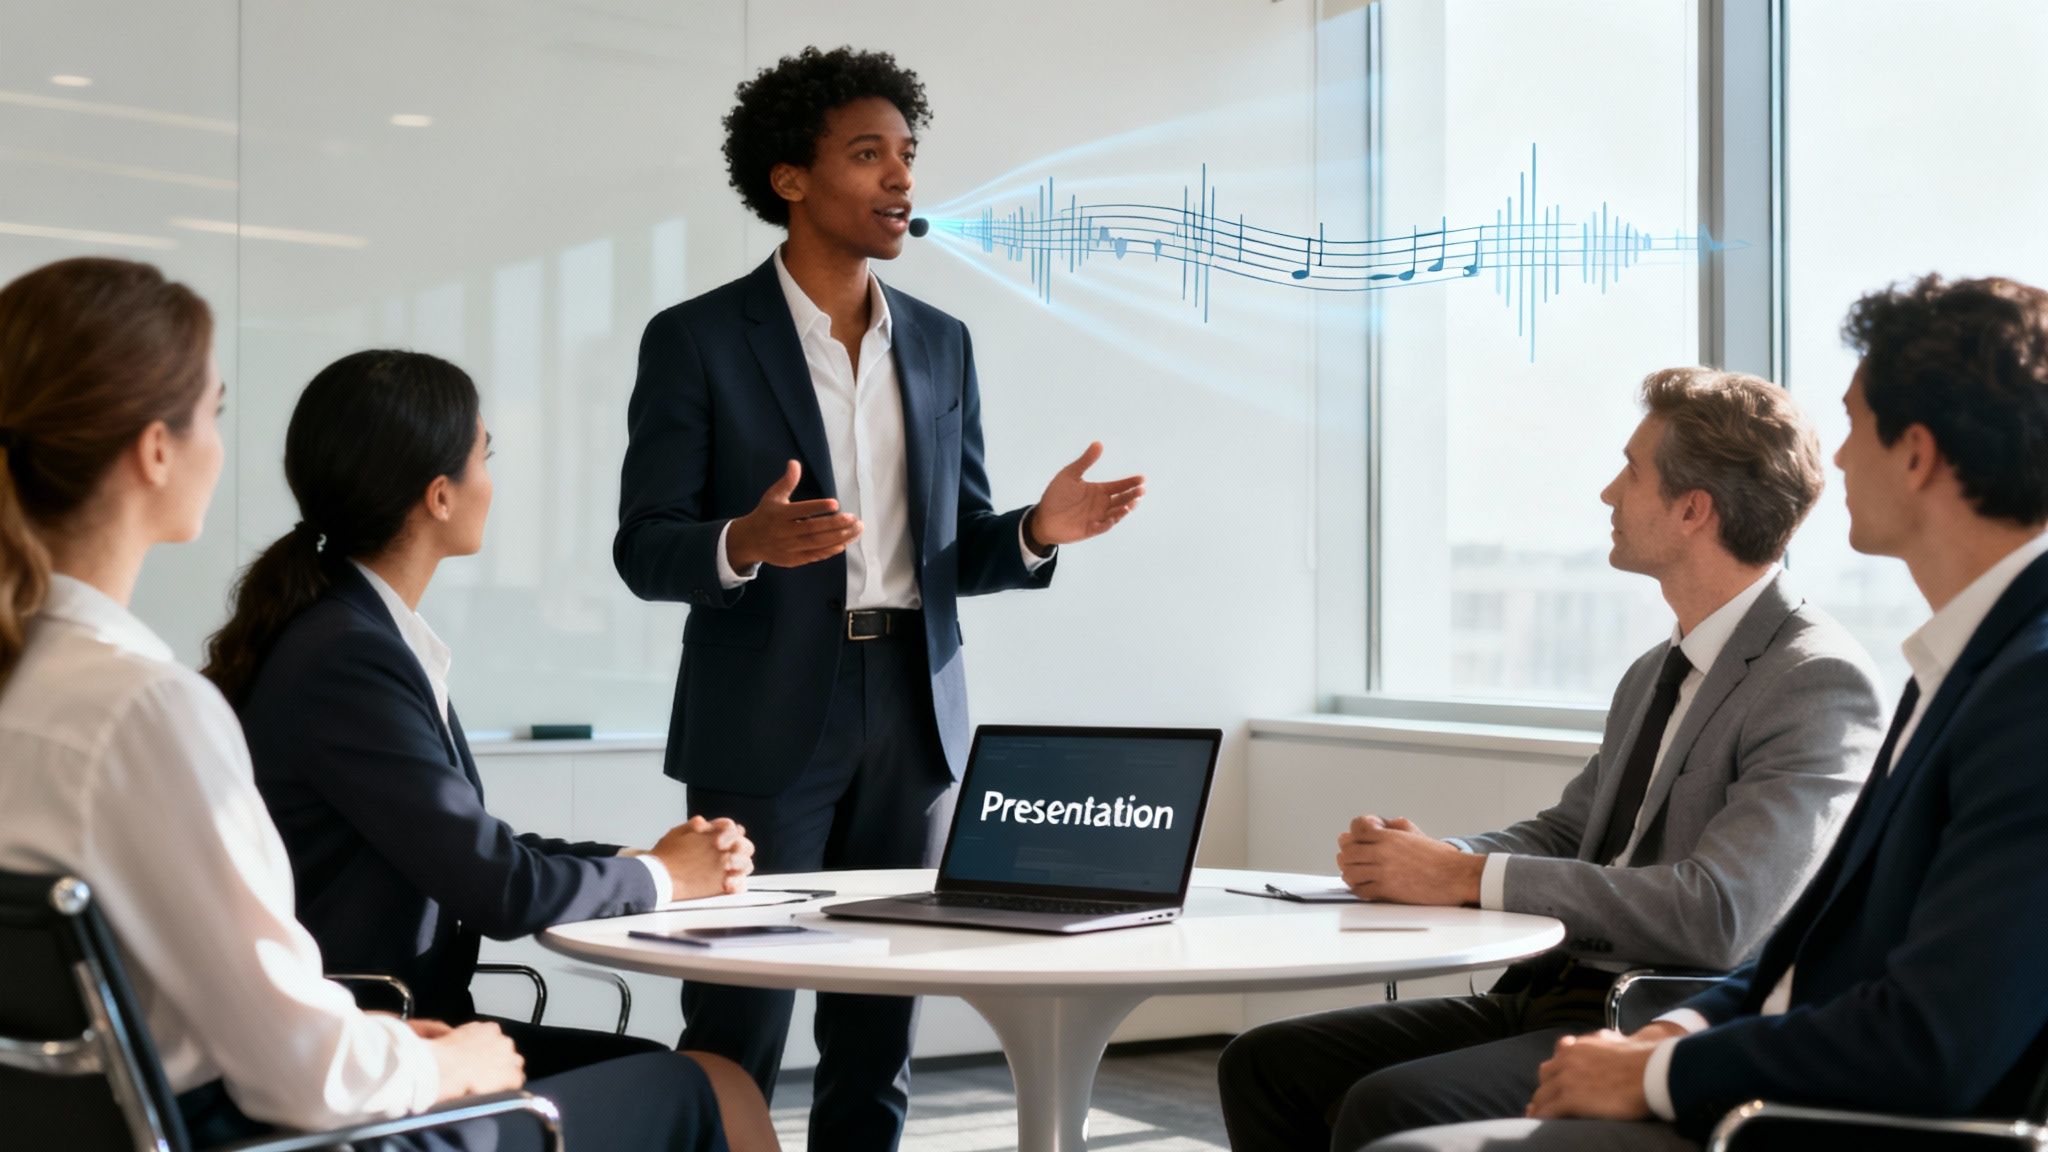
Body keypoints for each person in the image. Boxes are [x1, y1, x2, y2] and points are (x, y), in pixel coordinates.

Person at [0, 256, 774, 1151]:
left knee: (702, 1083)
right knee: (707, 1091)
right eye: (212, 413)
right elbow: (300, 1067)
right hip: (273, 1129)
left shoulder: (45, 685)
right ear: (156, 450)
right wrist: (451, 1066)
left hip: (192, 1105)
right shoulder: (150, 711)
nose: (221, 445)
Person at [1367, 274, 2048, 1151]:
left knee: (1395, 1127)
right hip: (1716, 1039)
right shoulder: (1947, 673)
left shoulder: (2017, 691)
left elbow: (1933, 1036)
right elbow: (1812, 950)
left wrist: (1656, 1068)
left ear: (1914, 455)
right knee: (1285, 1067)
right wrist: (1676, 1036)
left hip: (1813, 1116)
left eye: (1853, 425)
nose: (1836, 463)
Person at [614, 46, 1144, 1149]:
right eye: (868, 155)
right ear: (789, 179)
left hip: (912, 710)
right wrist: (742, 541)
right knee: (738, 1007)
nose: (901, 178)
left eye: (907, 155)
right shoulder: (699, 340)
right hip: (760, 716)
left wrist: (1037, 534)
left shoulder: (942, 346)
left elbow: (955, 554)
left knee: (878, 1016)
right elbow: (644, 548)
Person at [1218, 367, 1886, 1151]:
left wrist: (1461, 879)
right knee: (1263, 1062)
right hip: (1547, 993)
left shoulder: (1815, 681)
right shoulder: (1656, 670)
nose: (1609, 493)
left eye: (1631, 471)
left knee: (1388, 1104)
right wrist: (1435, 857)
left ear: (1693, 509)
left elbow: (1718, 916)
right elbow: (1573, 831)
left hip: (1643, 1019)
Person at [201, 348, 754, 1080]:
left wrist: (635, 861)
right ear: (439, 495)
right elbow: (498, 888)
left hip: (395, 1029)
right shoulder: (350, 656)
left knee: (704, 1080)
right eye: (483, 457)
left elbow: (464, 847)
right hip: (378, 1051)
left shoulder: (352, 632)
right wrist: (662, 876)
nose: (491, 483)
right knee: (711, 1086)